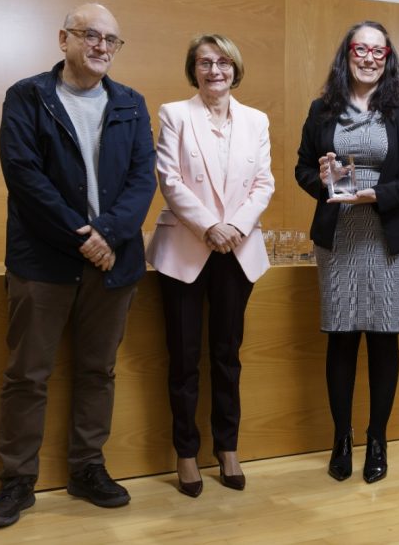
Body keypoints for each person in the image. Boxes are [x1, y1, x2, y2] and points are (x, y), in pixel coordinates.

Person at [0, 3, 156, 528]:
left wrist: (109, 234)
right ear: (64, 39)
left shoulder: (130, 102)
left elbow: (142, 179)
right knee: (27, 375)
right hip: (43, 262)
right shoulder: (28, 96)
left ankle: (87, 469)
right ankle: (16, 481)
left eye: (112, 39)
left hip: (114, 264)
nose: (101, 46)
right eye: (90, 35)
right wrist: (84, 237)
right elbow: (24, 176)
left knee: (97, 371)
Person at [294, 20, 399, 484]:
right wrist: (326, 179)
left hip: (387, 239)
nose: (369, 57)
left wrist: (378, 195)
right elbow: (302, 171)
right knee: (341, 336)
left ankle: (377, 439)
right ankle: (341, 438)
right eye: (361, 48)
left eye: (379, 50)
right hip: (339, 237)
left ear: (387, 57)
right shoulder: (321, 110)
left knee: (382, 337)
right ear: (347, 54)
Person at [146, 34, 275, 497]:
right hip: (186, 250)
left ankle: (228, 448)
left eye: (223, 62)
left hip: (237, 251)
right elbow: (170, 179)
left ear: (235, 68)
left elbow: (264, 182)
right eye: (205, 62)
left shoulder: (256, 120)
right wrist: (209, 227)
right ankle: (185, 453)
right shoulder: (174, 114)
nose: (214, 70)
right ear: (193, 69)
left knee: (227, 355)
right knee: (182, 359)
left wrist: (236, 226)